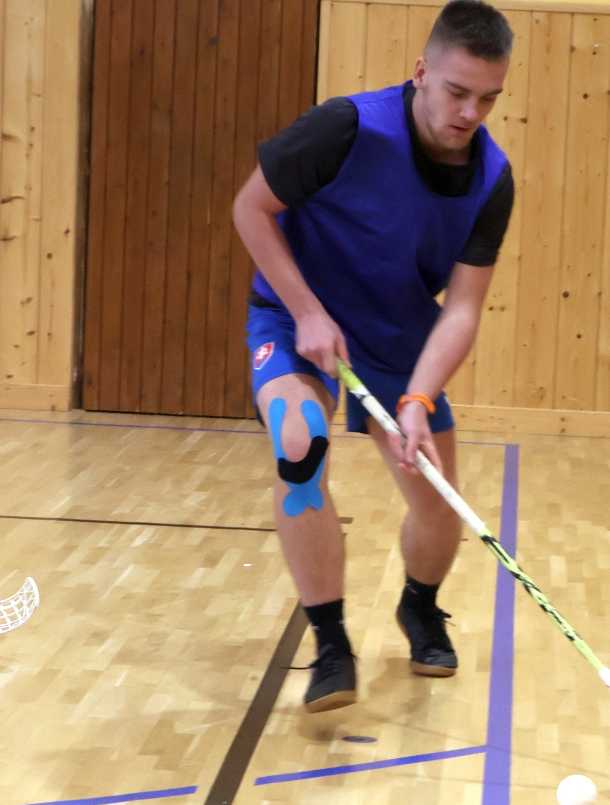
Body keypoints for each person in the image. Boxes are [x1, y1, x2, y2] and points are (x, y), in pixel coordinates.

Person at [232, 0, 515, 711]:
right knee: (299, 444)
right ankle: (331, 642)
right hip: (297, 318)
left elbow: (464, 308)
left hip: (399, 340)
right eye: (457, 91)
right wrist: (306, 310)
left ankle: (419, 605)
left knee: (439, 506)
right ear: (421, 72)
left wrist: (418, 397)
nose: (470, 113)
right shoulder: (346, 127)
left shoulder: (492, 179)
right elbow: (250, 208)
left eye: (488, 98)